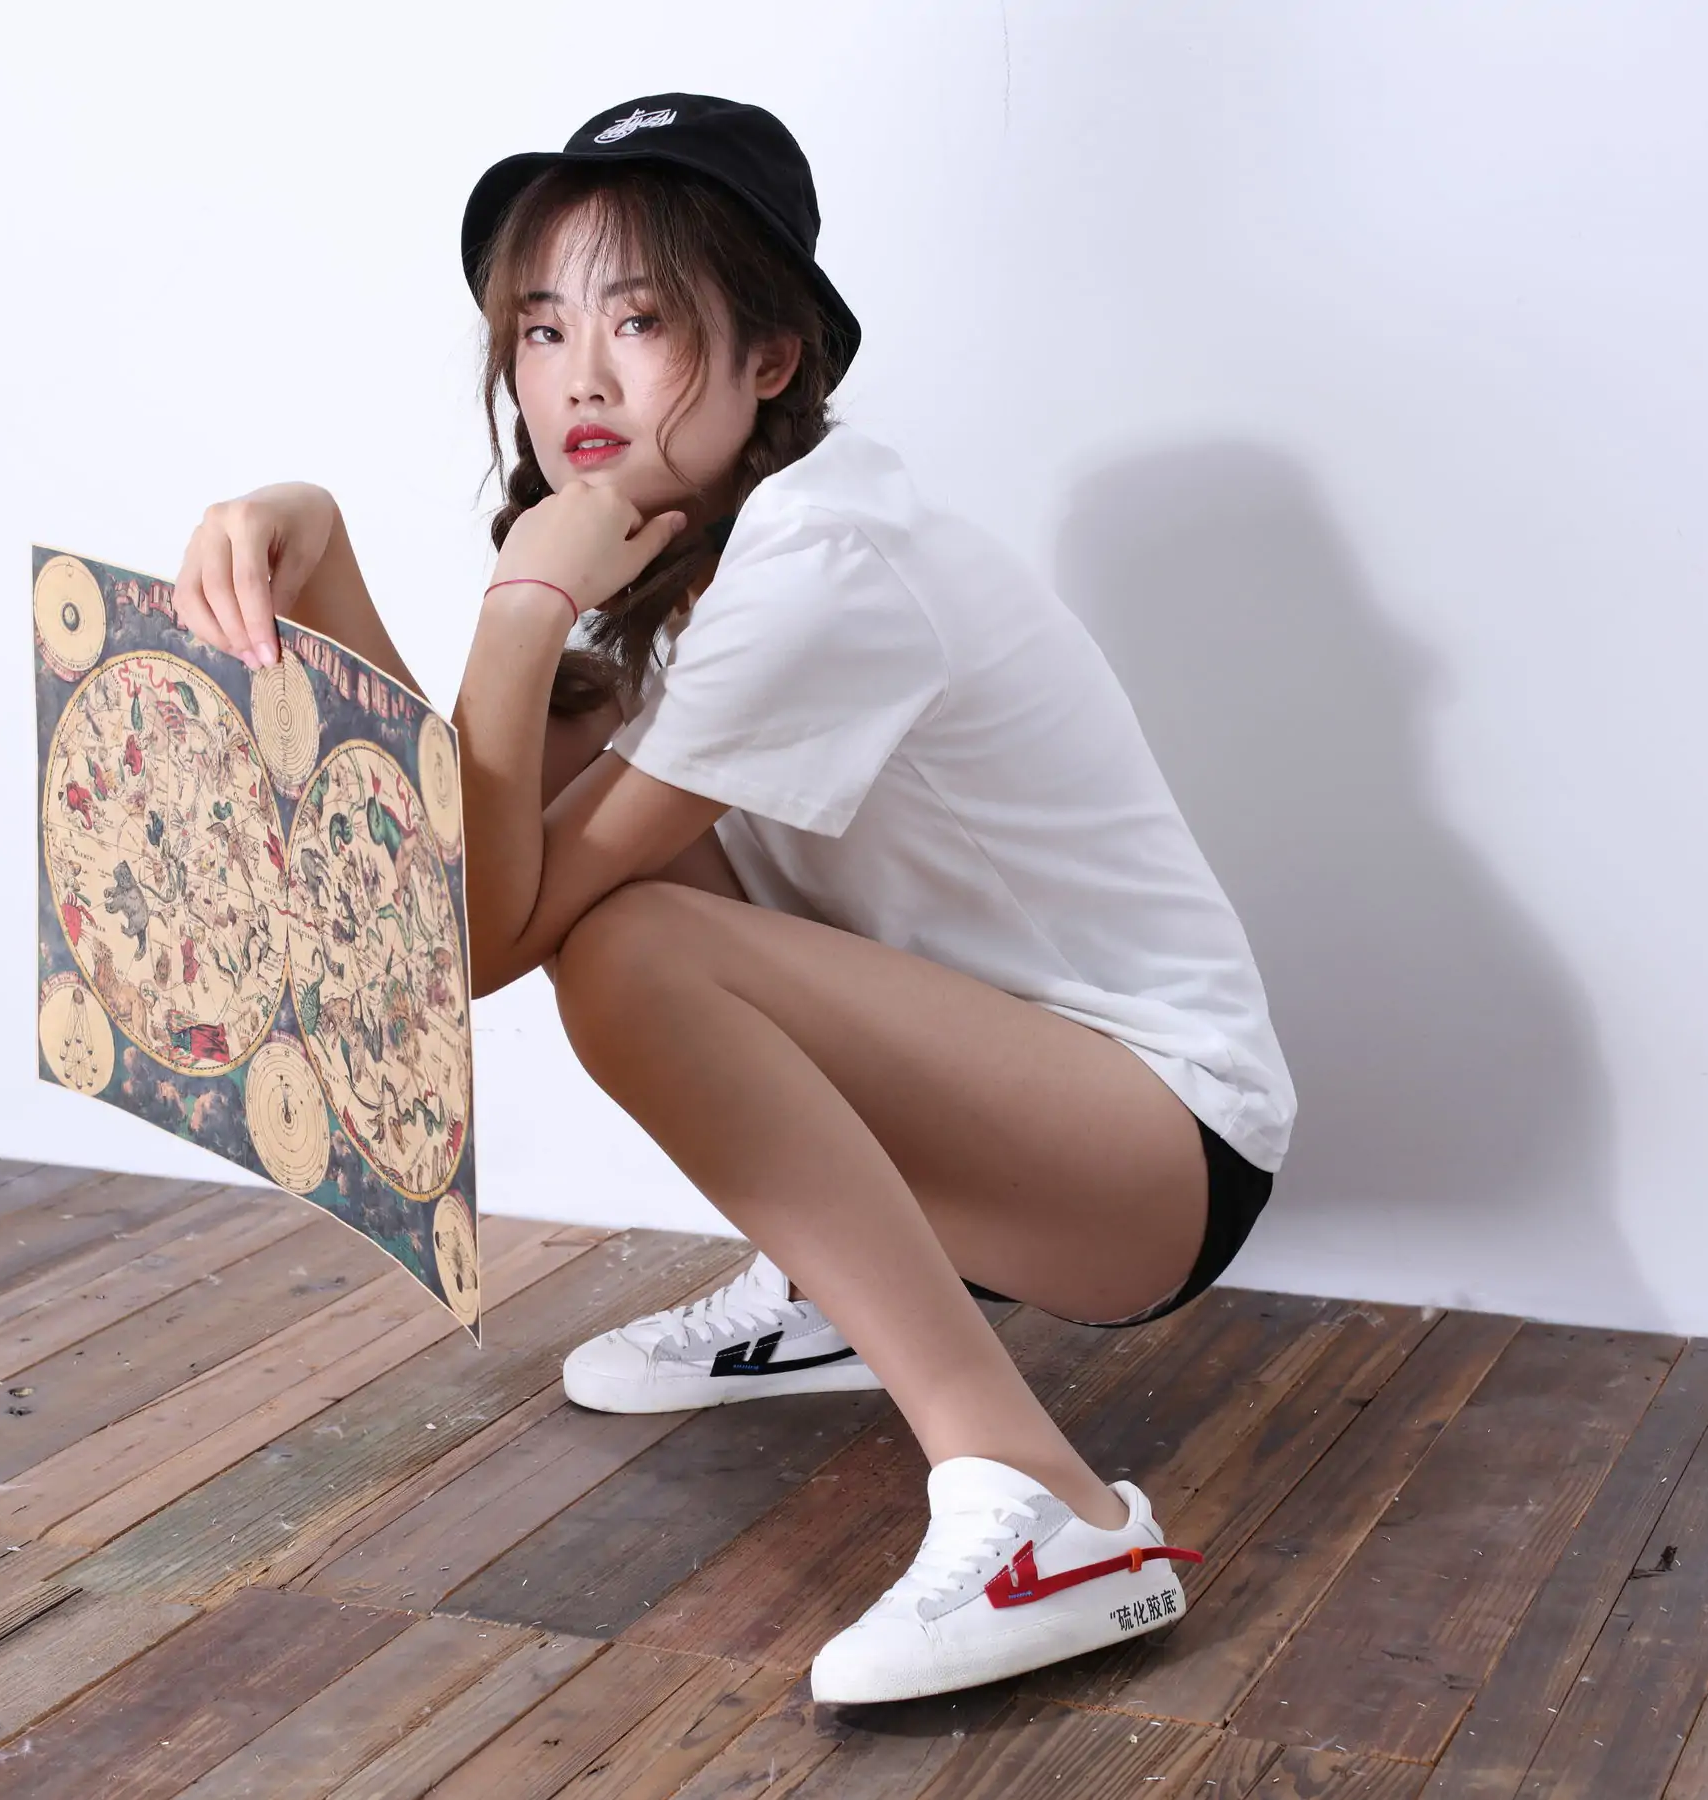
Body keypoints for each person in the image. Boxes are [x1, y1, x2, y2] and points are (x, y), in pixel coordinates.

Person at [168, 92, 1297, 1708]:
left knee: (633, 944)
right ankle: (837, 1294)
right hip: (991, 1117)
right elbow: (458, 895)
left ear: (772, 356)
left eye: (638, 320)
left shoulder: (821, 561)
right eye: (542, 327)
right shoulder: (676, 558)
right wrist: (321, 553)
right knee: (614, 902)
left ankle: (1050, 1512)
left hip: (1156, 1149)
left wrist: (518, 611)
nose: (578, 377)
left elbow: (500, 931)